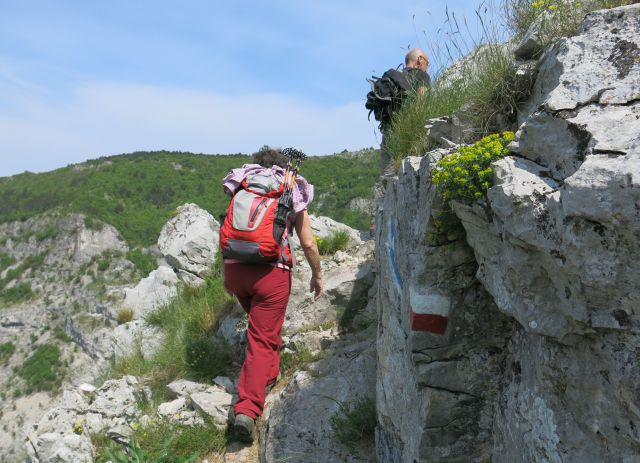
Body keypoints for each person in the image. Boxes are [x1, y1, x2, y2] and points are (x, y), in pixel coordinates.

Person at [221, 146, 323, 443]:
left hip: (235, 268)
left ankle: (269, 374)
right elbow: (308, 242)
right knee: (261, 338)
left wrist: (228, 275)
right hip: (270, 273)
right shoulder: (290, 188)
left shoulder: (243, 181)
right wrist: (317, 274)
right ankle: (247, 410)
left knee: (263, 327)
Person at [379, 48, 431, 173]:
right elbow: (421, 102)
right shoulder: (421, 75)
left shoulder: (395, 78)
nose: (427, 68)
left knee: (387, 176)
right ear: (420, 60)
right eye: (427, 63)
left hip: (387, 134)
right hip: (408, 132)